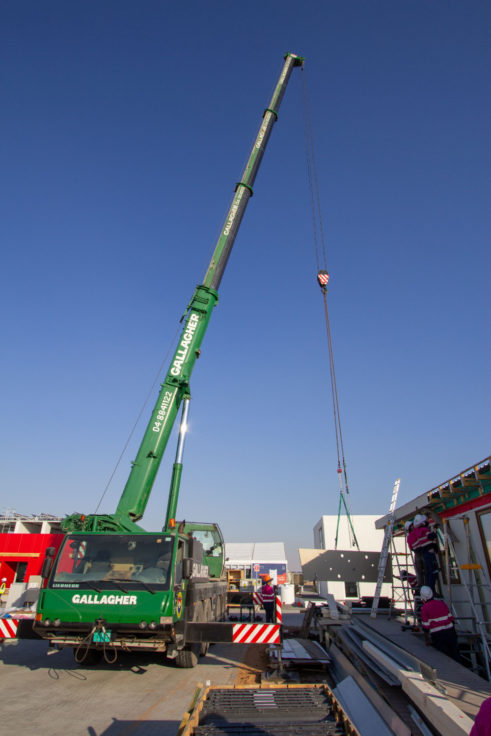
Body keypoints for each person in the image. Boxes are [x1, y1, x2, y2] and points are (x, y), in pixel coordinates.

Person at [420, 586, 461, 663]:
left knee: (443, 656)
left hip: (438, 635)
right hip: (450, 632)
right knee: (455, 654)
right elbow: (451, 619)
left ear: (423, 598)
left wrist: (427, 640)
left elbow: (426, 627)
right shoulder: (441, 603)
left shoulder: (424, 608)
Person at [406, 519, 425, 587]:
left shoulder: (408, 537)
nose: (414, 526)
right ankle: (425, 586)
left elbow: (411, 547)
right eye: (412, 525)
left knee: (419, 572)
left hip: (417, 554)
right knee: (426, 570)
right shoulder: (416, 532)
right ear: (410, 527)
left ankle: (421, 586)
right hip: (422, 552)